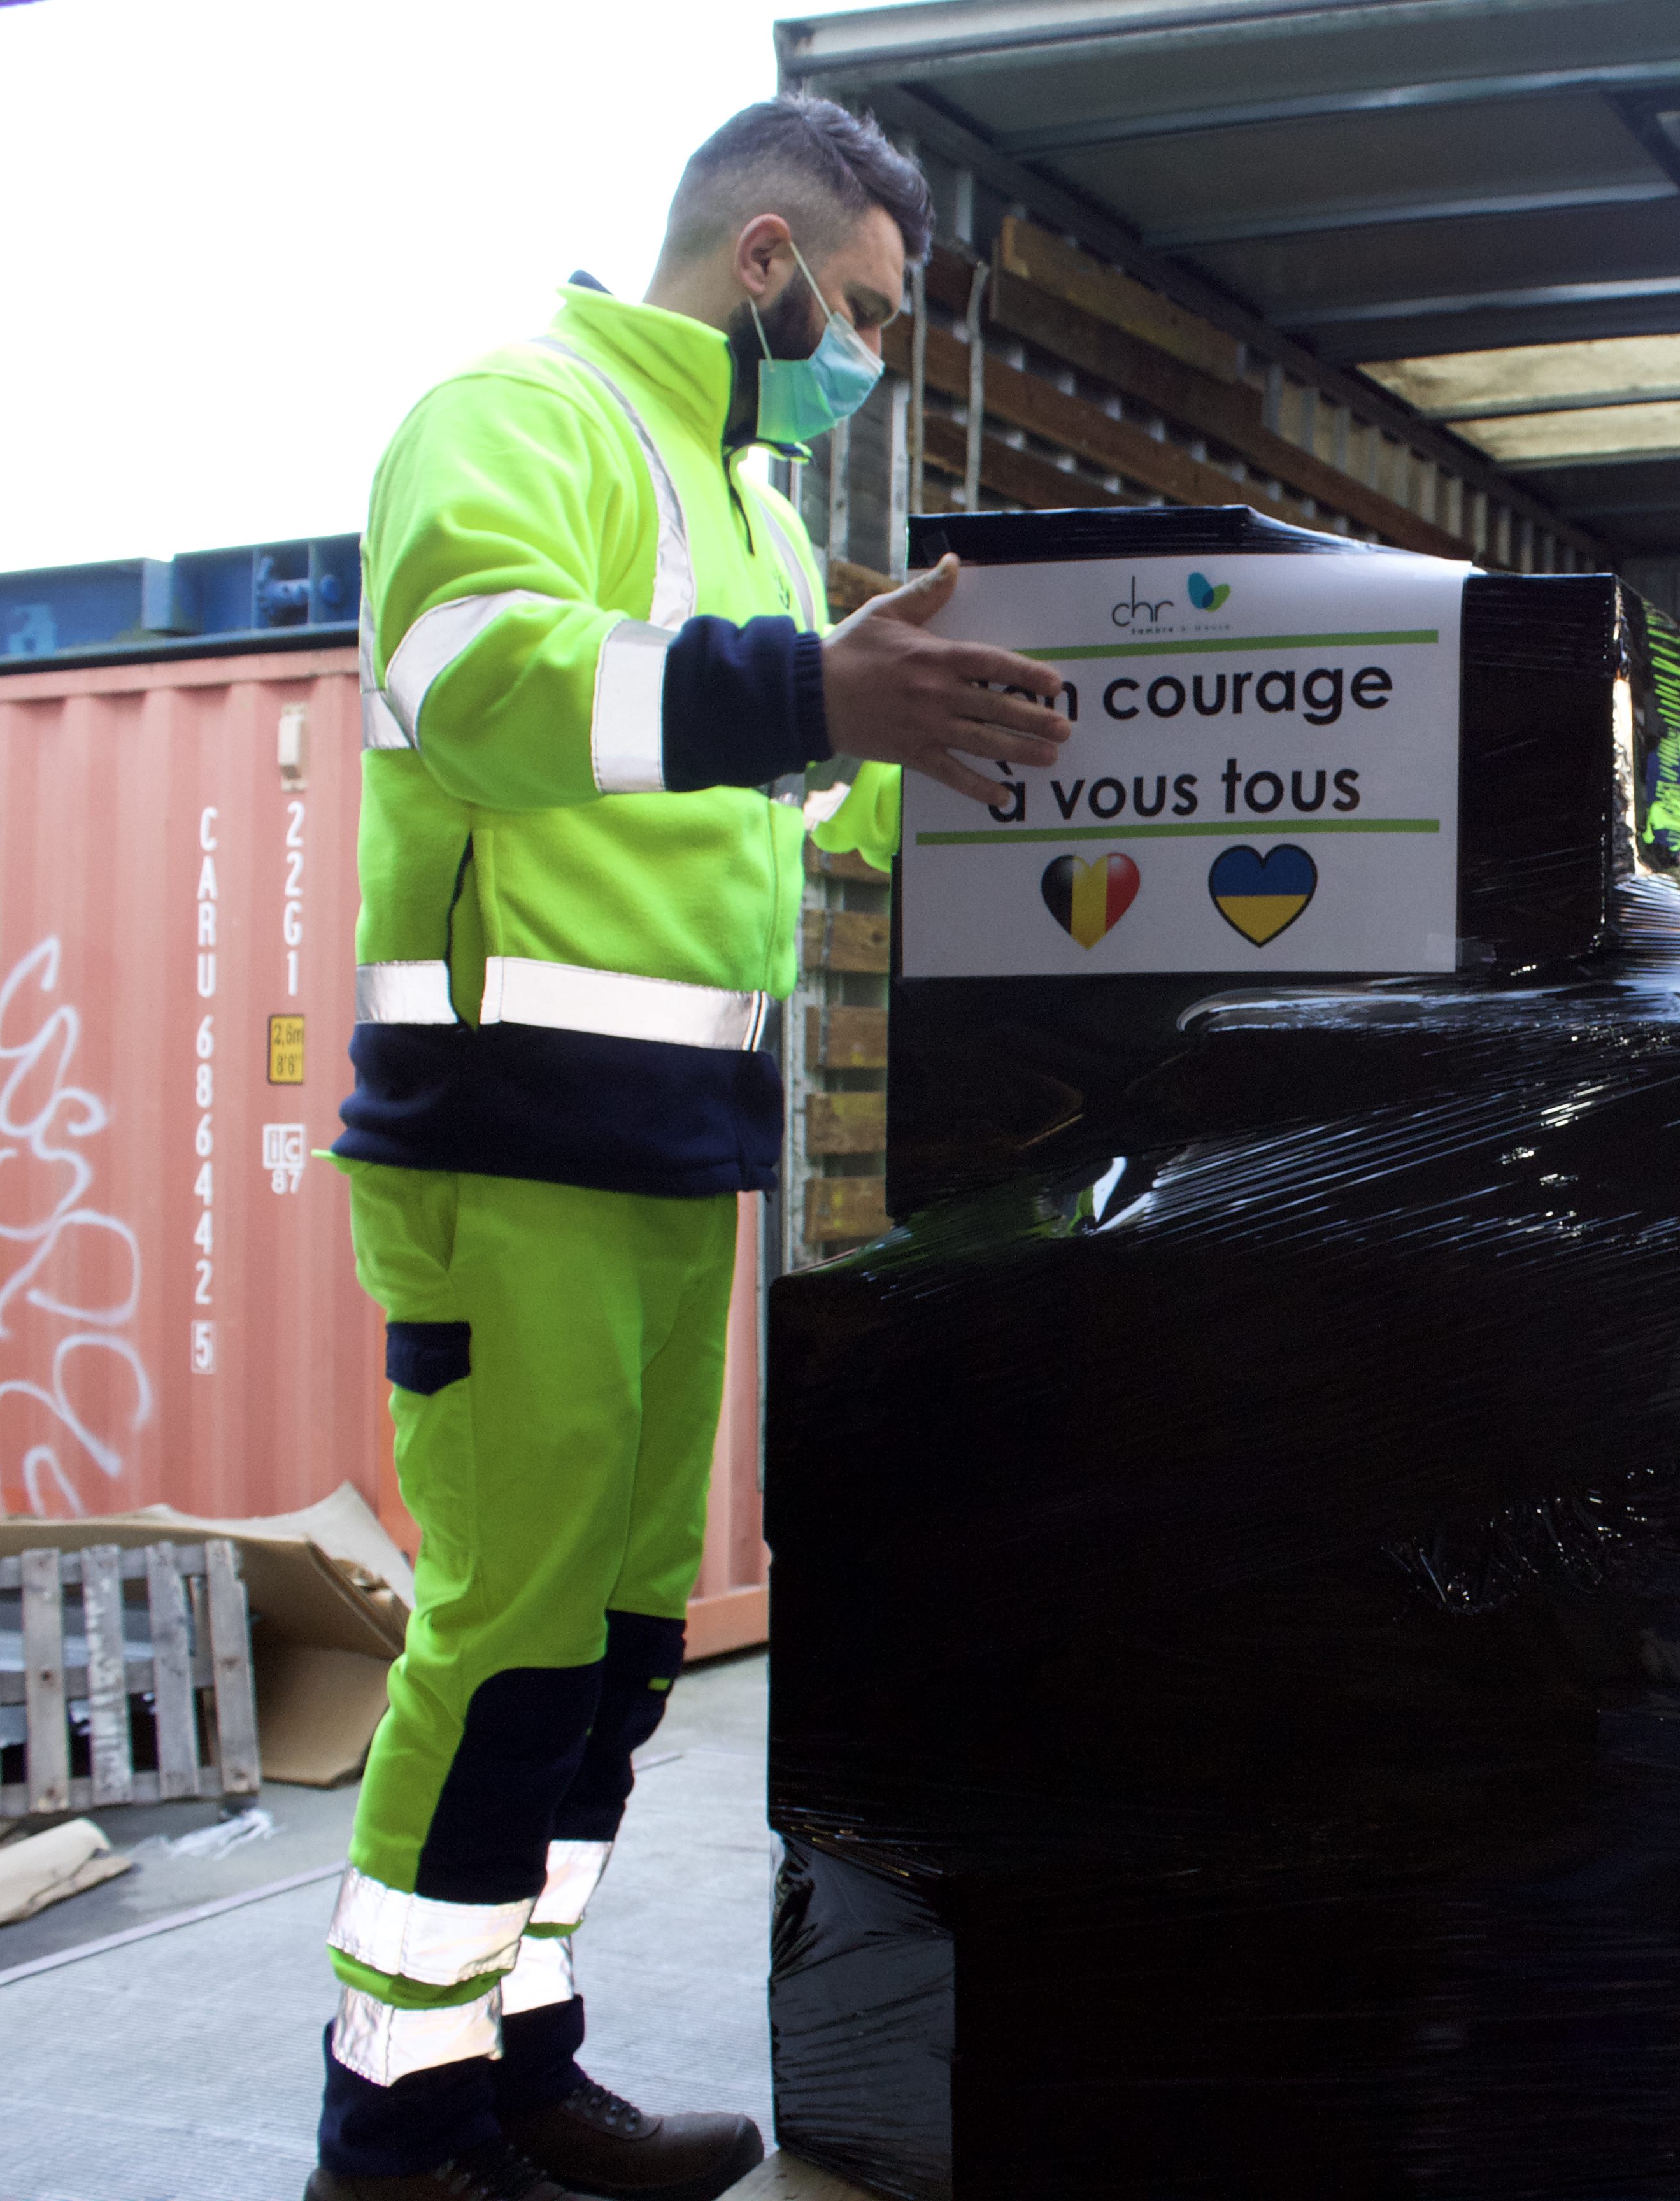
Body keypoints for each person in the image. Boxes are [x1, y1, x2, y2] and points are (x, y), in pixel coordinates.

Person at [312, 99, 1072, 2201]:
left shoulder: (741, 501)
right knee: (511, 1628)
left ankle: (516, 2058)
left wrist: (935, 765)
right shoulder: (512, 416)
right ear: (761, 260)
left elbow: (758, 793)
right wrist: (816, 700)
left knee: (623, 1637)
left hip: (670, 1141)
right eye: (856, 314)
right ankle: (393, 2129)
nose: (867, 364)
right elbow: (478, 675)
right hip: (509, 1124)